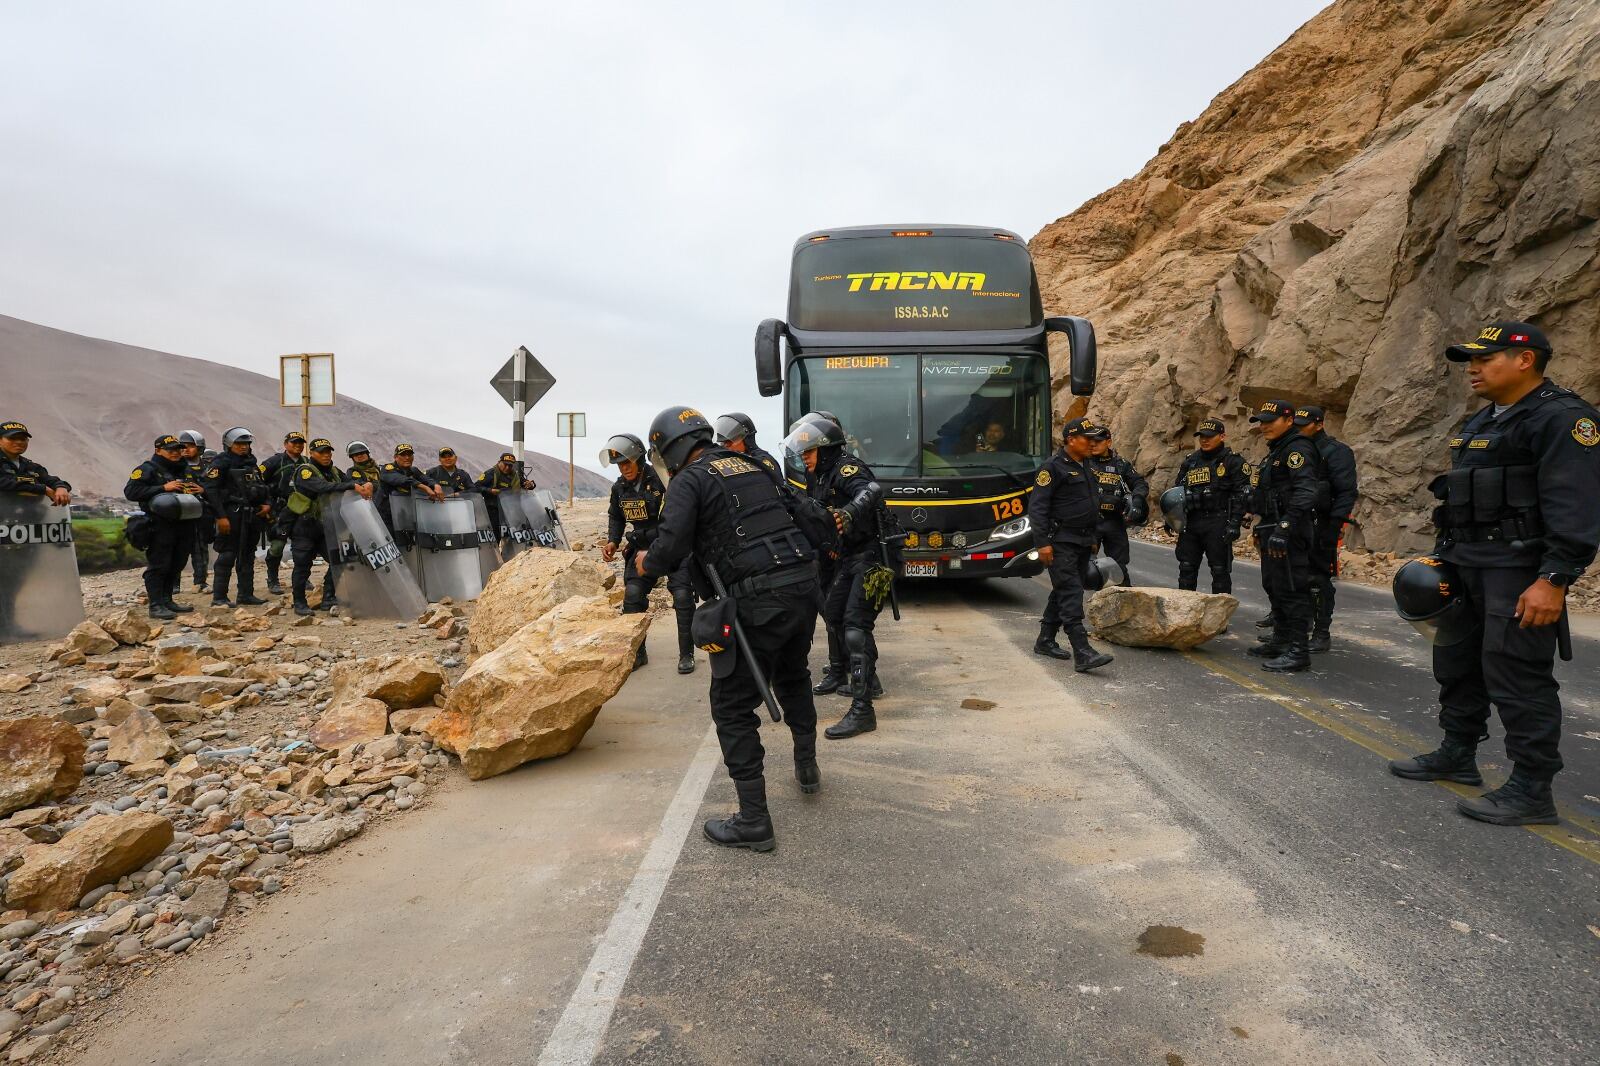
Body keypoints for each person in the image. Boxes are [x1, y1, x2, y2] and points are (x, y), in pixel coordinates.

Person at [1388, 322, 1600, 825]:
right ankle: (1458, 753)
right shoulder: (1485, 419)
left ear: (1525, 360)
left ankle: (1532, 788)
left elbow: (1576, 505)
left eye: (1485, 359)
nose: (1474, 369)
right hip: (1467, 562)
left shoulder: (1564, 419)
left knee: (1517, 674)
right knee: (1457, 662)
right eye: (1471, 360)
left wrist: (1554, 578)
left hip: (1518, 569)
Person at [635, 405, 837, 852]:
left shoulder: (690, 480)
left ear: (672, 449)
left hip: (758, 599)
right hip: (802, 589)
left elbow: (671, 547)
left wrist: (646, 561)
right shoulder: (752, 464)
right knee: (793, 675)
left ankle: (754, 820)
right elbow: (803, 512)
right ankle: (807, 767)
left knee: (730, 707)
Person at [793, 415, 899, 738]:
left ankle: (862, 710)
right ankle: (869, 679)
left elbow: (872, 490)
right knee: (834, 613)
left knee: (855, 625)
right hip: (850, 556)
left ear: (825, 449)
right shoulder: (817, 475)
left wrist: (850, 513)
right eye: (802, 452)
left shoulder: (846, 468)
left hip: (875, 556)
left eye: (809, 451)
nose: (804, 457)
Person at [600, 433, 696, 673]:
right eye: (619, 465)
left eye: (627, 462)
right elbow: (616, 516)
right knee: (633, 595)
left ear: (640, 459)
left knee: (682, 596)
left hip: (671, 544)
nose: (624, 468)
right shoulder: (619, 487)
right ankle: (638, 653)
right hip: (641, 545)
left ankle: (687, 654)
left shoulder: (663, 479)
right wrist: (613, 541)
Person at [1029, 418, 1114, 673]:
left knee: (1063, 590)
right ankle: (1083, 651)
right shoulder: (1052, 468)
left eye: (1095, 439)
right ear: (1071, 439)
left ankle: (1045, 640)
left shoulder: (1085, 464)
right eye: (1088, 438)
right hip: (1061, 542)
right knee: (1071, 592)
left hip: (1083, 540)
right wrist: (1042, 544)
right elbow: (1038, 509)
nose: (1092, 443)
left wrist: (1093, 538)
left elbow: (1090, 503)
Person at [1245, 400, 1319, 672]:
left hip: (1289, 529)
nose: (1264, 426)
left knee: (1291, 587)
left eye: (1270, 421)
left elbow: (1306, 492)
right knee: (1274, 585)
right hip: (1271, 527)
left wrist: (1285, 526)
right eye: (1261, 422)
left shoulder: (1297, 449)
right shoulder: (1277, 450)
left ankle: (1299, 651)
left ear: (1289, 421)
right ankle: (1281, 639)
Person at [0, 421, 74, 638]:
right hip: (3, 529)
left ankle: (9, 628)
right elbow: (5, 483)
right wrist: (42, 489)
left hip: (23, 532)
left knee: (15, 579)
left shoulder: (30, 466)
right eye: (13, 438)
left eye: (23, 438)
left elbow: (54, 480)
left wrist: (60, 487)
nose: (19, 442)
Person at [1294, 406, 1359, 653]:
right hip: (1298, 521)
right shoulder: (1296, 450)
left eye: (1304, 425)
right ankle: (1299, 628)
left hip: (1321, 523)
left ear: (1319, 424)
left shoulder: (1336, 452)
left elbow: (1346, 492)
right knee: (1295, 577)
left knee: (1317, 579)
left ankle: (1322, 633)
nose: (1299, 430)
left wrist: (1334, 525)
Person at [285, 438, 371, 616]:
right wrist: (352, 485)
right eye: (321, 452)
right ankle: (299, 602)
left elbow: (352, 481)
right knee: (302, 565)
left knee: (338, 560)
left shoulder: (334, 471)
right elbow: (321, 487)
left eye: (328, 452)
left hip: (327, 526)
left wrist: (366, 484)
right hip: (305, 527)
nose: (326, 455)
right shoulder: (305, 470)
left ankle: (328, 597)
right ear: (312, 453)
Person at [126, 434, 204, 620]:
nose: (175, 453)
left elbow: (200, 486)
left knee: (177, 563)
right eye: (170, 450)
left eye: (178, 449)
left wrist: (201, 490)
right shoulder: (147, 469)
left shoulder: (185, 469)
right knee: (159, 564)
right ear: (158, 450)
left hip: (185, 522)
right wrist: (162, 488)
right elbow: (131, 491)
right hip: (160, 524)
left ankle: (167, 600)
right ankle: (156, 605)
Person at [1172, 418, 1249, 593]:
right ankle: (1185, 608)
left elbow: (1242, 494)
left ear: (1222, 436)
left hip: (1218, 520)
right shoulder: (1191, 461)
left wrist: (1235, 523)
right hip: (1191, 521)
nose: (1205, 440)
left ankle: (1221, 609)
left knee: (1219, 570)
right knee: (1186, 568)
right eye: (1202, 437)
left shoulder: (1233, 461)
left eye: (1209, 436)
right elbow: (1177, 492)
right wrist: (1172, 519)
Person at [204, 427, 270, 607]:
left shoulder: (251, 463)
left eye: (246, 443)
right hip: (231, 514)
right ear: (229, 444)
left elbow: (262, 485)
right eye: (239, 443)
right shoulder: (221, 462)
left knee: (248, 555)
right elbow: (210, 490)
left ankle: (246, 595)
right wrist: (220, 516)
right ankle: (219, 598)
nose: (243, 447)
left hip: (251, 515)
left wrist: (267, 504)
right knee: (227, 555)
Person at [1086, 423, 1147, 584]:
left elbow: (1140, 484)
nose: (1093, 444)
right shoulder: (1083, 463)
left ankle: (1122, 597)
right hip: (1090, 522)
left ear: (1108, 442)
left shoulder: (1121, 464)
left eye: (1097, 441)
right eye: (1091, 441)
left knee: (1119, 568)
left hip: (1115, 522)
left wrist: (1137, 501)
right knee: (1085, 566)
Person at [260, 432, 307, 594]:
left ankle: (302, 579)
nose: (298, 445)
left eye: (300, 442)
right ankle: (272, 579)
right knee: (278, 545)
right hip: (278, 511)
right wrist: (265, 503)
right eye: (294, 442)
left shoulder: (307, 463)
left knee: (302, 546)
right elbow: (258, 482)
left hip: (301, 510)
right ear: (286, 444)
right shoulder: (273, 462)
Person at [375, 443, 443, 535]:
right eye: (403, 455)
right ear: (395, 457)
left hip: (405, 516)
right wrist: (423, 487)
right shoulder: (387, 469)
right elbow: (401, 480)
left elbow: (426, 479)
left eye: (409, 455)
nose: (407, 458)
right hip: (385, 517)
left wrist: (436, 486)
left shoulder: (413, 470)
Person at [175, 431, 212, 595]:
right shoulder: (174, 466)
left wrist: (203, 490)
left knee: (200, 549)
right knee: (176, 549)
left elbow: (217, 489)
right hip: (179, 514)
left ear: (199, 447)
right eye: (183, 446)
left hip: (201, 514)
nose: (186, 449)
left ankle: (200, 581)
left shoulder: (208, 468)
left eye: (190, 446)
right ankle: (174, 584)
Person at [475, 452, 536, 544]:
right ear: (499, 462)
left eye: (510, 466)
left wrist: (530, 484)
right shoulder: (490, 473)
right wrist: (490, 490)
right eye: (505, 464)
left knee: (514, 536)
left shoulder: (515, 476)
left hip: (510, 511)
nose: (507, 468)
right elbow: (476, 487)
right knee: (495, 537)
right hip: (493, 511)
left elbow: (526, 484)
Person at [713, 412, 783, 486]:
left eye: (730, 441)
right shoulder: (718, 462)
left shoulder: (764, 461)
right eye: (723, 442)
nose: (726, 445)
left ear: (747, 440)